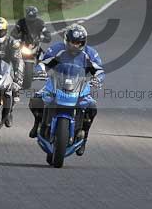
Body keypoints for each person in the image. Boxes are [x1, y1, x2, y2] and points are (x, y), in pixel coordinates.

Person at [28, 23, 104, 156]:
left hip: (79, 85)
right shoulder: (57, 49)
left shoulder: (90, 53)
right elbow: (43, 63)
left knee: (92, 107)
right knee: (36, 100)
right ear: (66, 40)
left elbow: (99, 70)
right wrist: (40, 71)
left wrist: (97, 79)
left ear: (83, 42)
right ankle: (37, 123)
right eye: (72, 42)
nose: (75, 46)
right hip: (56, 82)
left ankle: (84, 137)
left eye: (78, 43)